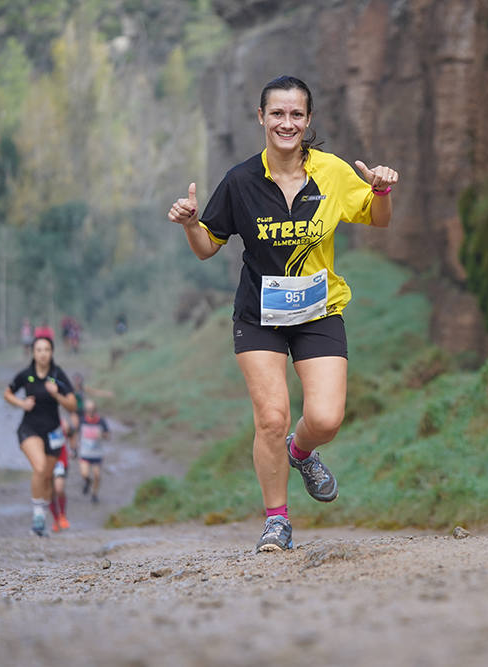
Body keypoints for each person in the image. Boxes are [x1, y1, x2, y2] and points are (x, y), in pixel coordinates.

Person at [167, 75, 398, 553]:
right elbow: (208, 247)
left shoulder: (332, 172)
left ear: (308, 120)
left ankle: (302, 451)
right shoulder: (240, 181)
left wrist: (380, 191)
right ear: (261, 118)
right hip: (259, 316)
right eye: (277, 114)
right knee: (271, 417)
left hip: (319, 311)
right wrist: (191, 223)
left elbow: (377, 220)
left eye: (296, 115)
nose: (286, 123)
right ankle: (277, 521)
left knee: (327, 418)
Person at [3, 336, 77, 536]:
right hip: (29, 429)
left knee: (46, 477)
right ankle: (37, 513)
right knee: (40, 466)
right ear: (33, 353)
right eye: (39, 349)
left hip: (53, 433)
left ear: (51, 352)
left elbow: (72, 405)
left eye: (46, 349)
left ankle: (41, 519)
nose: (43, 353)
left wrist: (57, 395)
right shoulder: (26, 375)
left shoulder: (57, 374)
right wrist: (22, 403)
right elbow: (7, 393)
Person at [77, 398, 110, 504]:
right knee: (84, 474)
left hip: (97, 453)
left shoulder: (101, 421)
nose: (90, 411)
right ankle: (87, 482)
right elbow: (76, 432)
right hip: (85, 453)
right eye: (88, 409)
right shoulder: (82, 420)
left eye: (92, 409)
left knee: (97, 475)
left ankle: (94, 494)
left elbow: (108, 436)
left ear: (95, 409)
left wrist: (103, 435)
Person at [50, 430, 71, 532]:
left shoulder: (62, 423)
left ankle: (62, 515)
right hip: (46, 462)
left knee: (59, 489)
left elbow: (72, 433)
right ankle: (56, 519)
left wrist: (73, 448)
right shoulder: (39, 423)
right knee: (50, 493)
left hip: (60, 462)